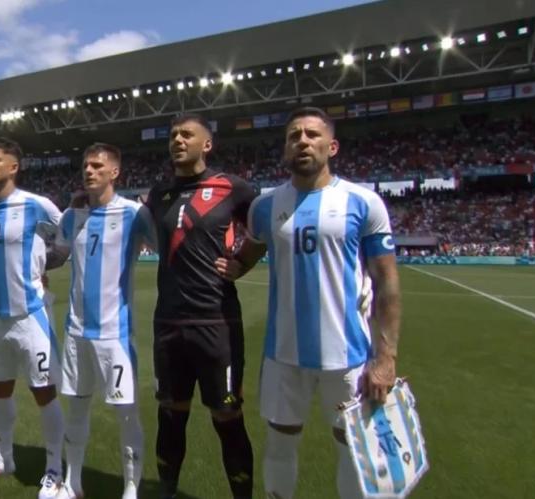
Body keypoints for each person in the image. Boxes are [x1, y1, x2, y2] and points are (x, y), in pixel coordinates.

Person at [218, 107, 402, 499]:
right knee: (280, 443)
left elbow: (387, 283)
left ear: (331, 146)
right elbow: (251, 251)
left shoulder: (363, 202)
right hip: (283, 354)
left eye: (312, 135)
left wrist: (385, 358)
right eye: (294, 136)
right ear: (285, 148)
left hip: (348, 357)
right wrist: (234, 266)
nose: (302, 141)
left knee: (351, 448)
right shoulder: (264, 206)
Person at [145, 114, 256, 498]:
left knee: (227, 416)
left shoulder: (234, 189)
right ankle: (167, 490)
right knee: (171, 413)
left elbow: (268, 227)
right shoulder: (157, 194)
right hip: (169, 323)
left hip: (216, 321)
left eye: (187, 134)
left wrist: (244, 261)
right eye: (173, 134)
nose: (177, 139)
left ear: (206, 144)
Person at [47, 143, 155, 499]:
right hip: (76, 332)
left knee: (126, 413)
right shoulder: (71, 216)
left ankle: (130, 488)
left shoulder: (134, 214)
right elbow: (57, 255)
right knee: (75, 409)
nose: (89, 171)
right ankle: (72, 482)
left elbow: (166, 245)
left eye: (97, 166)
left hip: (115, 335)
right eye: (85, 166)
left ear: (115, 173)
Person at [0, 138, 65, 499]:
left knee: (44, 393)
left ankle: (55, 470)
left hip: (31, 317)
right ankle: (4, 459)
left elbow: (67, 236)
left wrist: (46, 264)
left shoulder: (37, 205)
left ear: (13, 167)